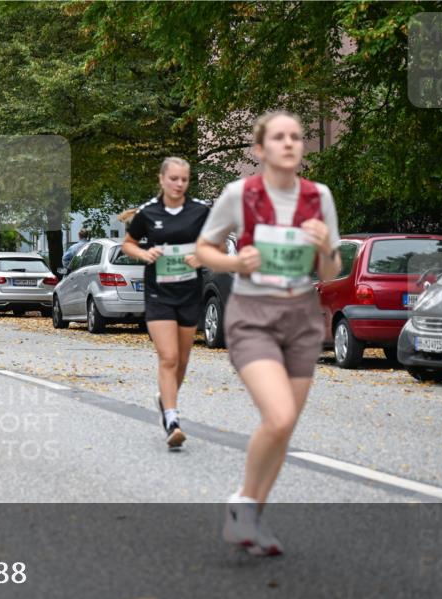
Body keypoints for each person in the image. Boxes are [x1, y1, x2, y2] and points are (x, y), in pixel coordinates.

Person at [195, 111, 341, 556]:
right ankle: (243, 504)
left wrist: (323, 248)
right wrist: (235, 264)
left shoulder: (320, 198)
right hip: (252, 315)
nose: (290, 143)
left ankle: (250, 516)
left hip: (300, 316)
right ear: (259, 149)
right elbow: (204, 250)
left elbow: (332, 271)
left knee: (284, 427)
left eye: (296, 136)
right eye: (278, 137)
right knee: (277, 416)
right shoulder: (239, 195)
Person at [121, 158, 209, 448]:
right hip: (159, 294)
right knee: (168, 357)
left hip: (189, 293)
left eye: (184, 179)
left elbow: (216, 244)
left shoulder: (200, 211)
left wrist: (202, 256)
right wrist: (143, 255)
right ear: (162, 179)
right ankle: (172, 420)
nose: (179, 184)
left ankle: (165, 397)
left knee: (182, 361)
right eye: (173, 179)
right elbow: (128, 244)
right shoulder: (148, 212)